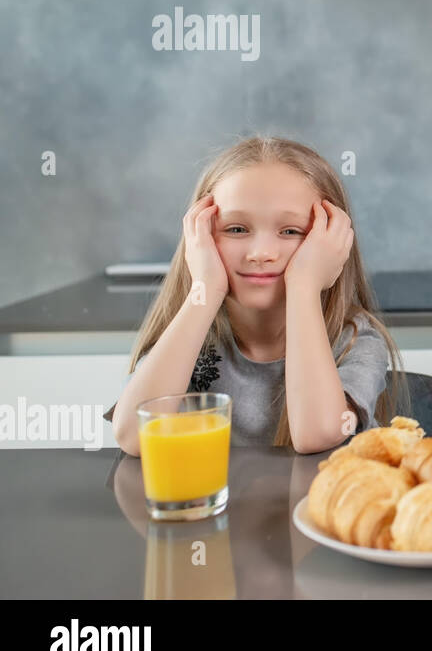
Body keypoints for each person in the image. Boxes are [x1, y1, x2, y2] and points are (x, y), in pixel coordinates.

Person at [109, 136, 410, 455]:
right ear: (200, 238)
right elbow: (134, 436)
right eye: (236, 229)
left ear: (333, 242)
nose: (261, 253)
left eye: (291, 231)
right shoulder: (193, 336)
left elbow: (317, 434)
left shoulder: (354, 340)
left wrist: (304, 286)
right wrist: (206, 289)